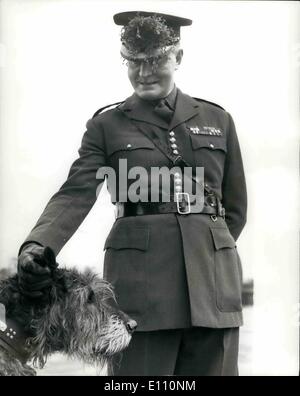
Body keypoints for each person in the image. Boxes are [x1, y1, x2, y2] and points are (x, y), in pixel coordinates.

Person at [17, 11, 247, 376]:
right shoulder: (106, 125)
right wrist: (36, 246)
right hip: (140, 298)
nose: (144, 73)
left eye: (155, 61)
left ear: (178, 58)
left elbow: (234, 211)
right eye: (134, 63)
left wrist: (204, 254)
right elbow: (76, 192)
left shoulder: (219, 120)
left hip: (214, 296)